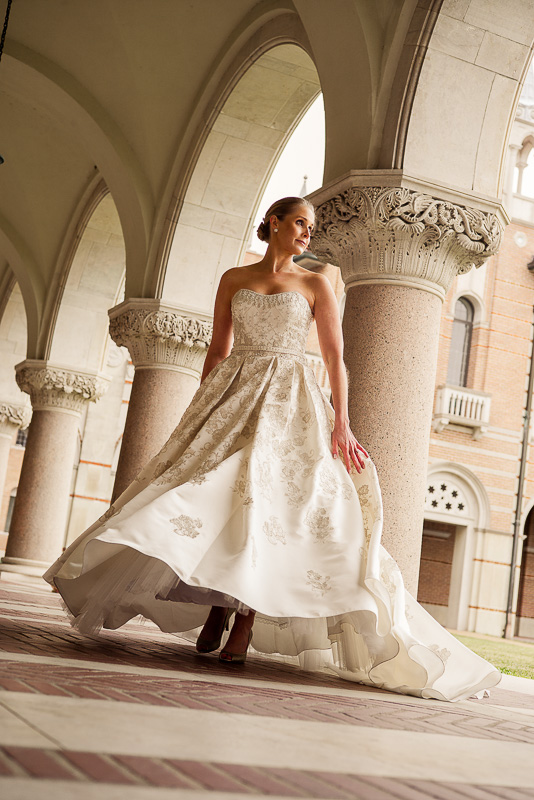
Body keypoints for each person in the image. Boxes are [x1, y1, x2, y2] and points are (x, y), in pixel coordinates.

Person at [45, 197, 500, 701]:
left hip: (291, 401)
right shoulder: (233, 279)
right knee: (214, 498)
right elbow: (218, 350)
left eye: (312, 226)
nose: (307, 232)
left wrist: (342, 424)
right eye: (300, 223)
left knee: (272, 509)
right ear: (274, 223)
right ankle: (220, 604)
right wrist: (198, 416)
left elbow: (334, 357)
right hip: (234, 395)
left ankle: (242, 620)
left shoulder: (315, 283)